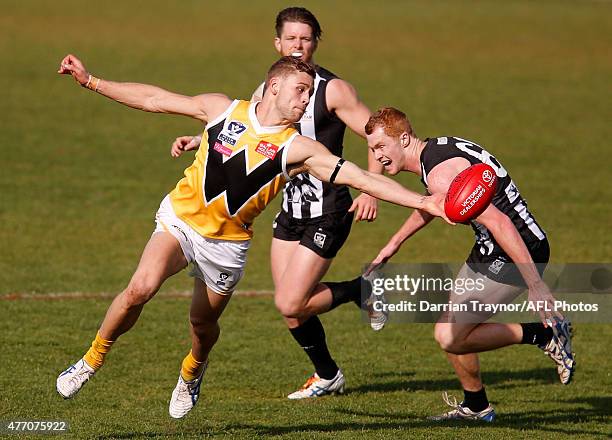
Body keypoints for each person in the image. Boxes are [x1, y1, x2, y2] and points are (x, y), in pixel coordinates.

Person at [55, 55, 447, 419]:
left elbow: (359, 177)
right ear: (274, 86)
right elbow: (155, 99)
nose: (306, 100)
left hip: (226, 246)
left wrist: (423, 201)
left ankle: (192, 371)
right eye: (300, 90)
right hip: (181, 221)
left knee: (201, 326)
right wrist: (91, 81)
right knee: (141, 287)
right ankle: (90, 360)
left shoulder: (299, 148)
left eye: (310, 93)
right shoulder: (222, 109)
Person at [170, 7, 386, 400]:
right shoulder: (273, 85)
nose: (298, 46)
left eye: (305, 39)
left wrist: (371, 189)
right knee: (289, 308)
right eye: (291, 39)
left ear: (316, 42)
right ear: (278, 43)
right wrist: (195, 139)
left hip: (329, 208)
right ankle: (328, 374)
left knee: (291, 298)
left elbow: (376, 135)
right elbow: (241, 130)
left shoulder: (333, 90)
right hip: (290, 208)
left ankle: (362, 290)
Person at [358, 107, 575, 421]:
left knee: (449, 336)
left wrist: (535, 284)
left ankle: (544, 335)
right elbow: (436, 201)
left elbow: (500, 222)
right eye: (371, 149)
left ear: (404, 138)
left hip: (517, 249)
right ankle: (476, 406)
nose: (376, 156)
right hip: (490, 248)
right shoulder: (435, 153)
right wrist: (394, 243)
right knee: (452, 326)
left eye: (380, 147)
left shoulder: (440, 172)